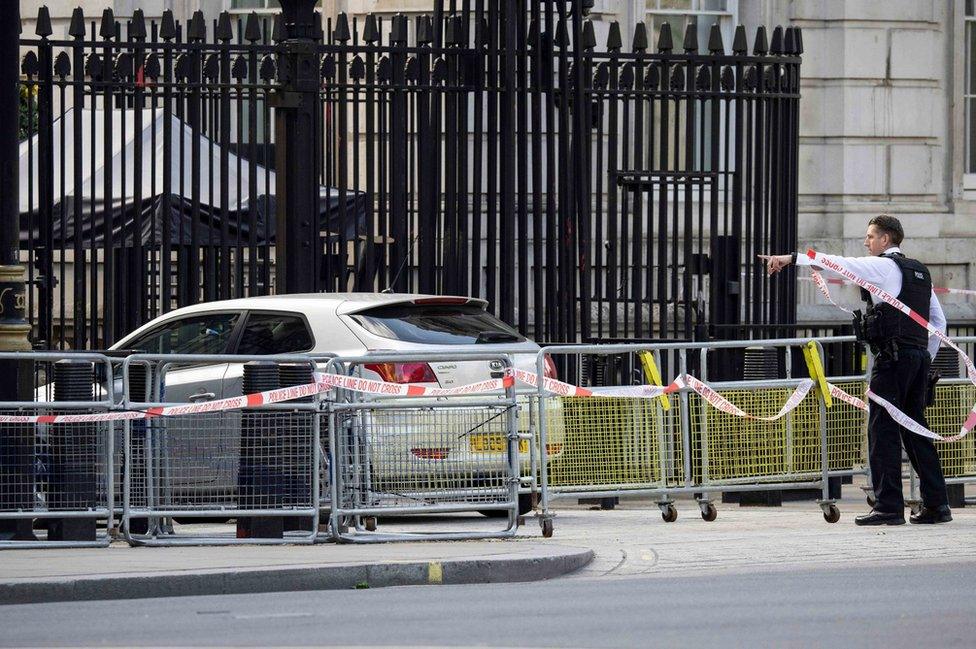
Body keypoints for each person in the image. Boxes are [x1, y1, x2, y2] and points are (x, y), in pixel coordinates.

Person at [759, 214, 951, 525]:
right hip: (917, 360)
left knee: (882, 431)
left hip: (892, 360)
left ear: (885, 240)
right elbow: (939, 323)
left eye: (871, 237)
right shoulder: (920, 272)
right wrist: (923, 359)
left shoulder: (883, 267)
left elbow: (839, 263)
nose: (866, 242)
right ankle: (937, 505)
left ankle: (889, 507)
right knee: (916, 431)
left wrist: (790, 259)